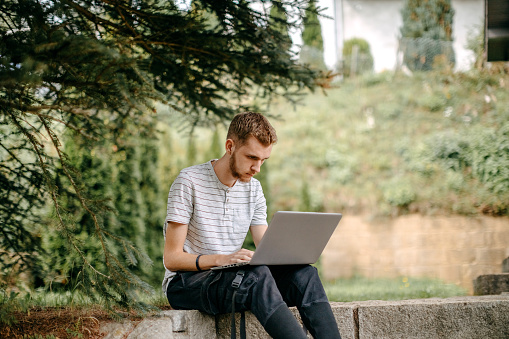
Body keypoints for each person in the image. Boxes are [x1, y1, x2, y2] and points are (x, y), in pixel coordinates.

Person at [163, 112, 341, 339]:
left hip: (232, 279)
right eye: (251, 158)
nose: (257, 168)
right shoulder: (188, 182)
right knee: (255, 276)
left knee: (305, 275)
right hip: (186, 284)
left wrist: (292, 254)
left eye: (263, 160)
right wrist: (222, 259)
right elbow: (172, 258)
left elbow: (267, 248)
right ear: (230, 146)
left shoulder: (253, 189)